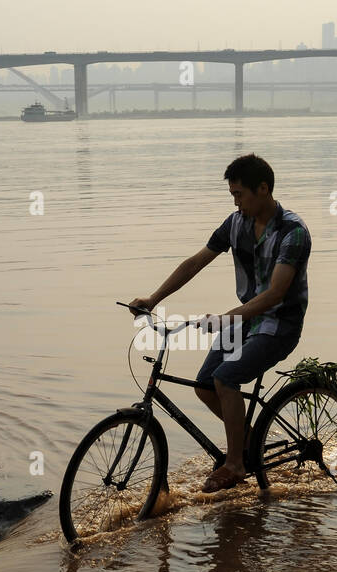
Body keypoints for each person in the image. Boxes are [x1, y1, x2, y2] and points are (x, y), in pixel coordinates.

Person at [128, 153, 311, 493]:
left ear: (263, 189)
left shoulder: (293, 232)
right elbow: (196, 262)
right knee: (204, 385)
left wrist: (225, 319)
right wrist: (153, 300)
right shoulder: (235, 223)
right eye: (233, 196)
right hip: (246, 320)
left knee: (225, 379)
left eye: (240, 194)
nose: (236, 202)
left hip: (279, 326)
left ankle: (236, 464)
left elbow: (275, 295)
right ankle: (248, 443)